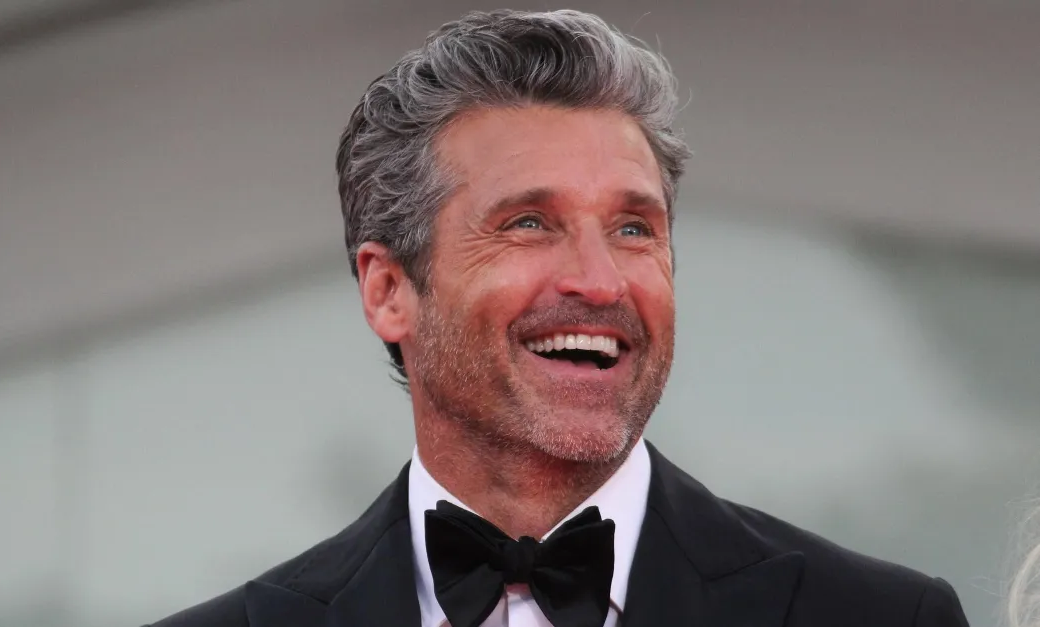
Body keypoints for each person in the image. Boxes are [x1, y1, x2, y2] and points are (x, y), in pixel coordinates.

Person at [146, 8, 970, 627]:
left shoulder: (881, 618)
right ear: (389, 290)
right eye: (529, 223)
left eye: (633, 228)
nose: (599, 281)